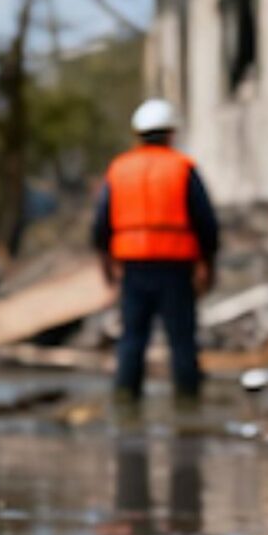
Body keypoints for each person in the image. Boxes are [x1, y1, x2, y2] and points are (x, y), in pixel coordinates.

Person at [93, 99, 219, 406]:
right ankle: (189, 406)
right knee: (182, 341)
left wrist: (107, 267)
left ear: (138, 134)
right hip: (176, 268)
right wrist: (207, 264)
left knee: (132, 340)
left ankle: (125, 403)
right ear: (170, 134)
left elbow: (101, 225)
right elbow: (206, 223)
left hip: (134, 268)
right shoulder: (182, 168)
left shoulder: (119, 170)